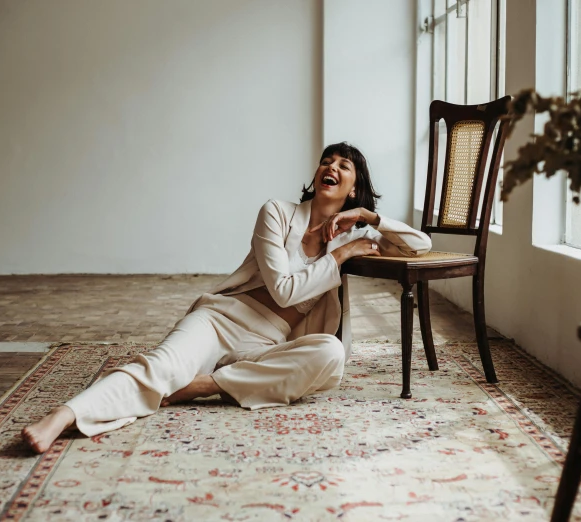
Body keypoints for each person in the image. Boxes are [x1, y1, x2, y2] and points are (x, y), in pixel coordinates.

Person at [23, 142, 432, 453]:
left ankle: (203, 385)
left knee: (331, 356)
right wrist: (341, 256)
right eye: (327, 160)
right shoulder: (277, 212)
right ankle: (65, 416)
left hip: (268, 343)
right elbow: (284, 289)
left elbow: (420, 245)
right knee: (160, 365)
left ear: (354, 186)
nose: (332, 167)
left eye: (344, 166)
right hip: (222, 320)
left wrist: (368, 218)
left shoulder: (358, 232)